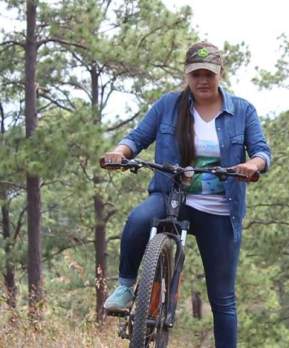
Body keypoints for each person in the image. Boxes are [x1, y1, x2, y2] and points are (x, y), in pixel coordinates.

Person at [101, 41, 272, 347]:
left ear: (220, 74)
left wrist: (251, 165)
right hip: (172, 196)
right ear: (187, 75)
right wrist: (118, 153)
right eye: (196, 74)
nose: (202, 80)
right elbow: (137, 138)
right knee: (138, 219)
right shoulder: (169, 105)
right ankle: (126, 287)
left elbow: (262, 151)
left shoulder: (242, 111)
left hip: (220, 207)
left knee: (222, 298)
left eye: (209, 74)